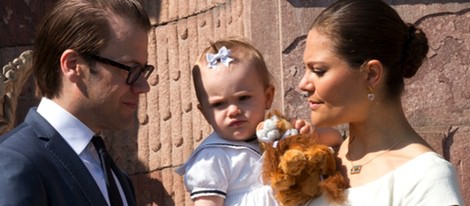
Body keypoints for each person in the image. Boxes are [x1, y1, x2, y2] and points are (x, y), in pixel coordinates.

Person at [298, 0, 464, 205]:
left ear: (371, 74)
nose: (303, 84)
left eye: (318, 71)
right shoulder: (323, 160)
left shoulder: (425, 179)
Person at [0, 0, 153, 205]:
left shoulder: (118, 179)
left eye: (143, 71)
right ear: (73, 65)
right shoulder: (15, 162)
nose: (143, 86)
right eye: (131, 69)